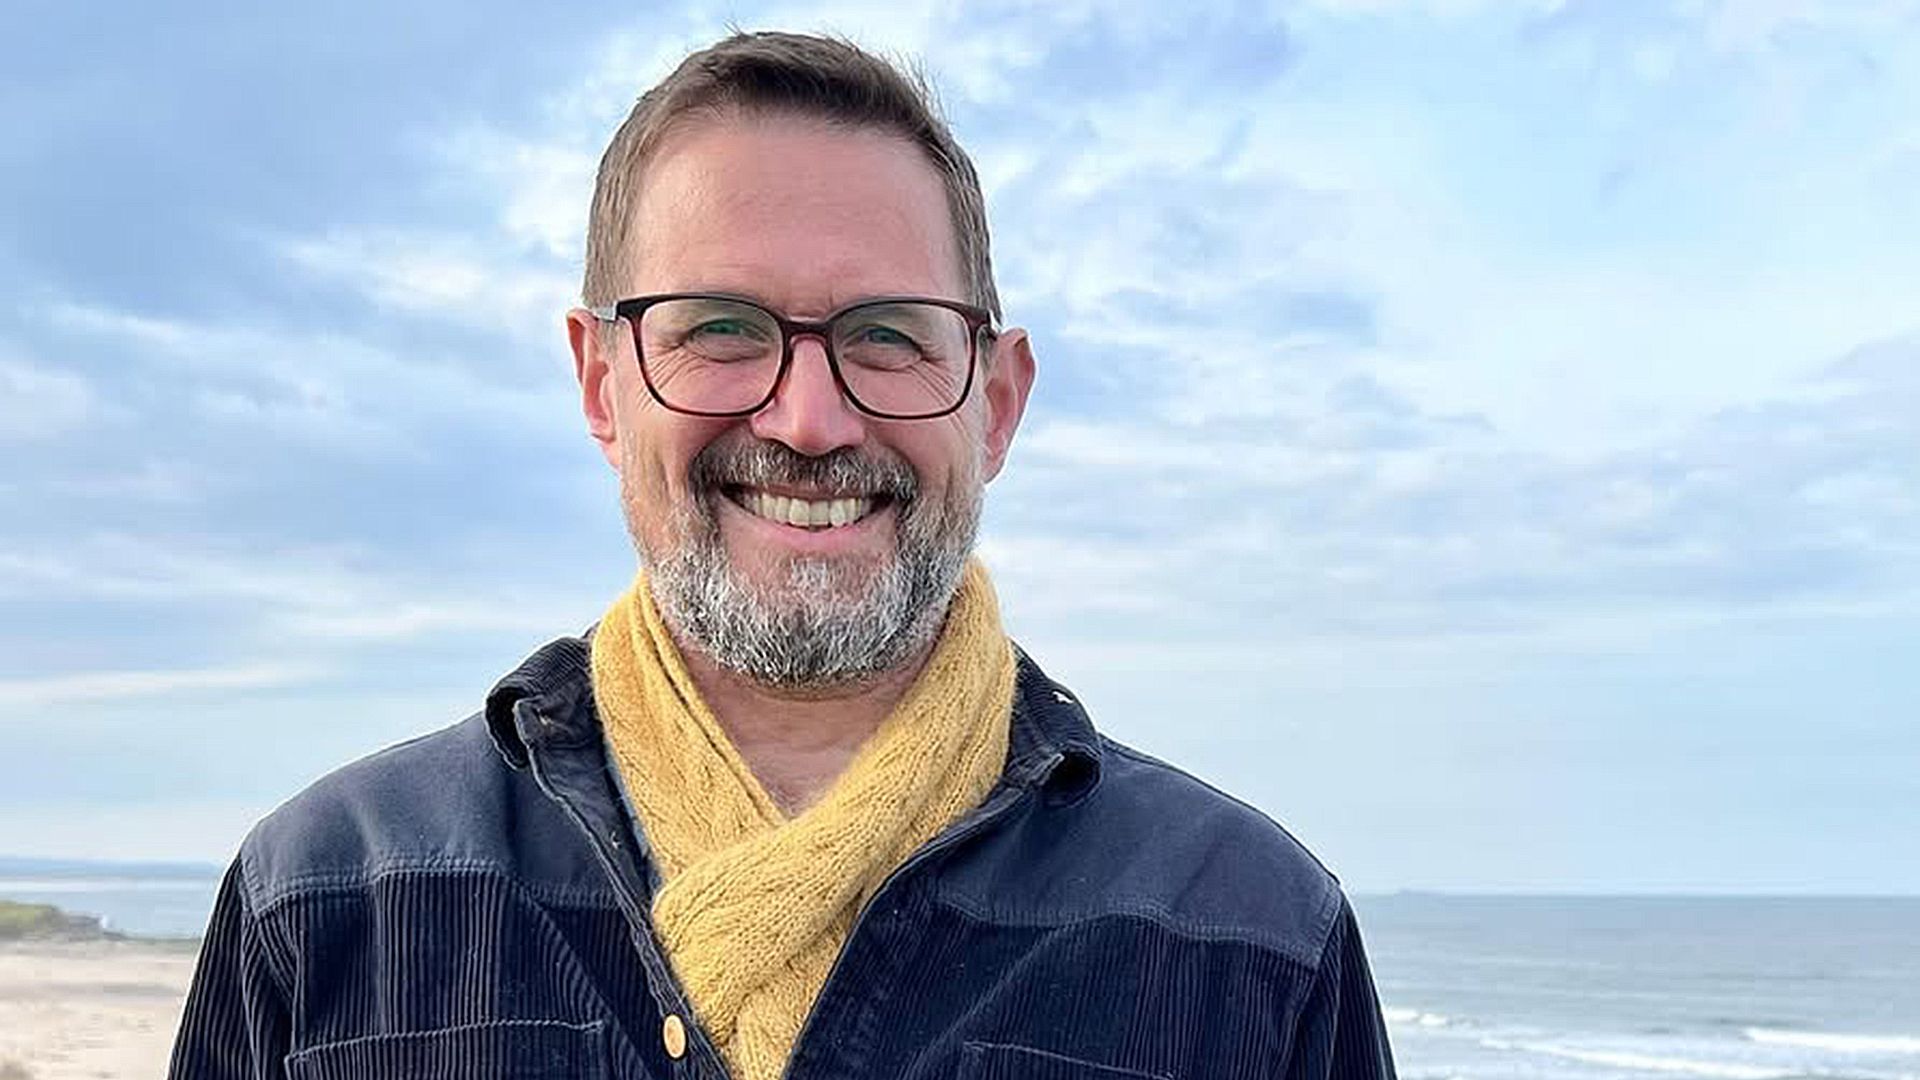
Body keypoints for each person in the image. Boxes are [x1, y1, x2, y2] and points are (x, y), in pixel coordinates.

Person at [170, 31, 1397, 1080]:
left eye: (890, 335)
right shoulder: (327, 903)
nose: (810, 422)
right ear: (601, 382)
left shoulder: (1251, 941)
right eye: (720, 328)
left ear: (997, 402)